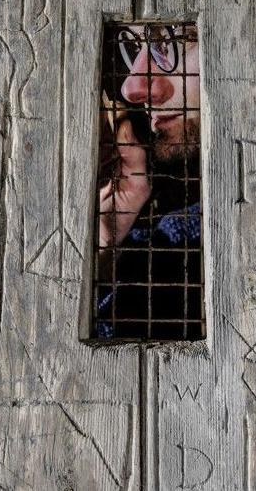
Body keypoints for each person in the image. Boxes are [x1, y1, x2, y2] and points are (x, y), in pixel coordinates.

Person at [96, 24, 202, 339]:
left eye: (170, 41)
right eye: (132, 47)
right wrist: (105, 246)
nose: (132, 87)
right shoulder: (166, 247)